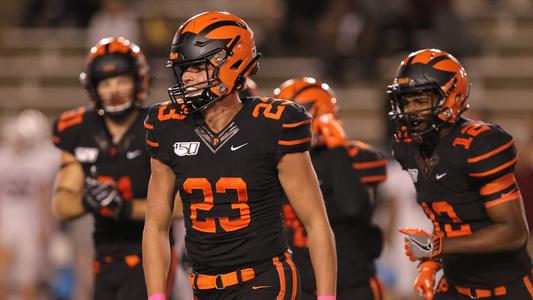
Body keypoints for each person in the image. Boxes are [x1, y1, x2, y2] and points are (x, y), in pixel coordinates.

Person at [142, 11, 337, 300]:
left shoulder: (274, 123)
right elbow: (156, 225)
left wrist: (327, 297)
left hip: (264, 278)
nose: (186, 77)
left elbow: (316, 222)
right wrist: (156, 296)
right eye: (183, 68)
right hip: (204, 284)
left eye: (196, 67)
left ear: (231, 63)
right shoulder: (168, 125)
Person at [388, 48, 532, 299]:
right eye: (406, 101)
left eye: (420, 101)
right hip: (455, 286)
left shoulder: (479, 144)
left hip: (505, 289)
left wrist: (437, 248)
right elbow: (442, 215)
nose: (411, 111)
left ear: (451, 97)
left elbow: (513, 233)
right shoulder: (408, 147)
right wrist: (431, 263)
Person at [51, 37, 176, 300]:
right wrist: (90, 200)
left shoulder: (160, 125)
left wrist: (125, 207)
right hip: (104, 258)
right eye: (106, 83)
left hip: (152, 256)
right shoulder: (79, 129)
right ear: (94, 87)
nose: (114, 90)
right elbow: (61, 205)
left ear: (138, 81)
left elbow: (182, 205)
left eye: (122, 80)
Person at [273, 77, 387, 299]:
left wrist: (338, 149)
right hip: (302, 284)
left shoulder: (355, 156)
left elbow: (353, 206)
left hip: (352, 283)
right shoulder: (282, 160)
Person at [0, 109, 59, 300]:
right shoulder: (39, 161)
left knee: (26, 279)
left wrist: (45, 226)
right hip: (16, 223)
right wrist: (45, 227)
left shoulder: (39, 160)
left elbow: (44, 197)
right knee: (14, 276)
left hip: (21, 223)